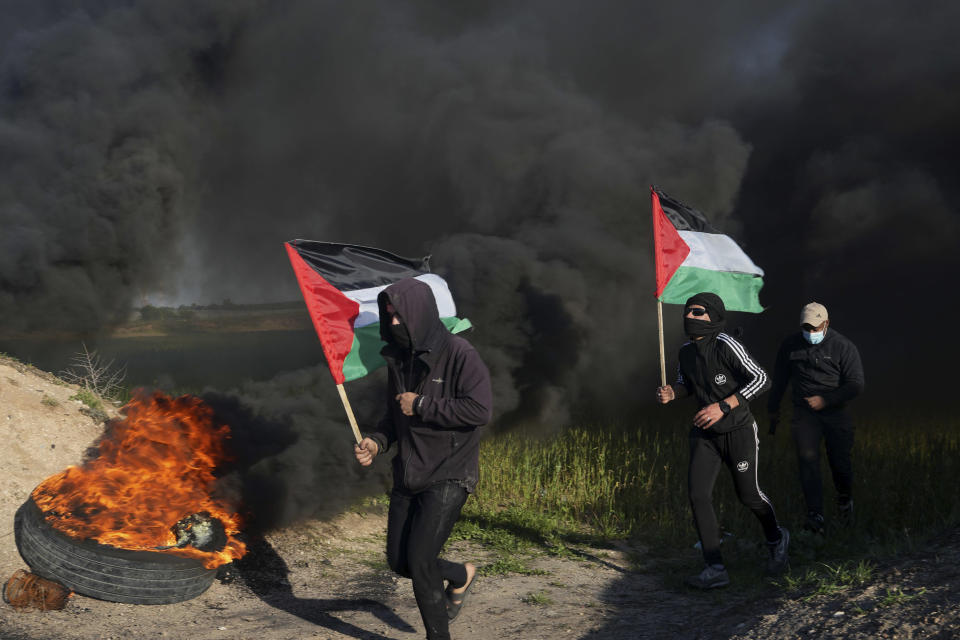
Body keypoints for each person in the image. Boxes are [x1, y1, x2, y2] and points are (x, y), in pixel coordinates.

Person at [354, 277, 492, 640]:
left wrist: (422, 404)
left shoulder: (460, 353)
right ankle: (461, 575)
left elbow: (480, 410)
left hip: (449, 471)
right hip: (408, 473)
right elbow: (392, 416)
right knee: (400, 562)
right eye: (389, 315)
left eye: (399, 314)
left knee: (419, 561)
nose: (393, 322)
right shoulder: (398, 360)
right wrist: (376, 442)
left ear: (419, 313)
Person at [657, 292, 789, 589]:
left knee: (749, 496)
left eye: (698, 312)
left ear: (713, 317)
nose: (689, 316)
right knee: (698, 495)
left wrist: (723, 406)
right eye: (688, 311)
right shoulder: (686, 352)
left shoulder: (727, 345)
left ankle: (777, 538)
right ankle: (715, 567)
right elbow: (684, 384)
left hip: (738, 430)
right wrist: (672, 393)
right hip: (704, 434)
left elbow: (761, 379)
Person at [767, 302, 864, 535]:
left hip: (835, 412)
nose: (810, 333)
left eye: (815, 327)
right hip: (805, 413)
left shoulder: (843, 347)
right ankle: (815, 516)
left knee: (840, 462)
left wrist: (826, 400)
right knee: (807, 460)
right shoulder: (790, 345)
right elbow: (779, 379)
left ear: (826, 324)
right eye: (806, 328)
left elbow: (856, 384)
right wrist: (773, 409)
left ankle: (844, 501)